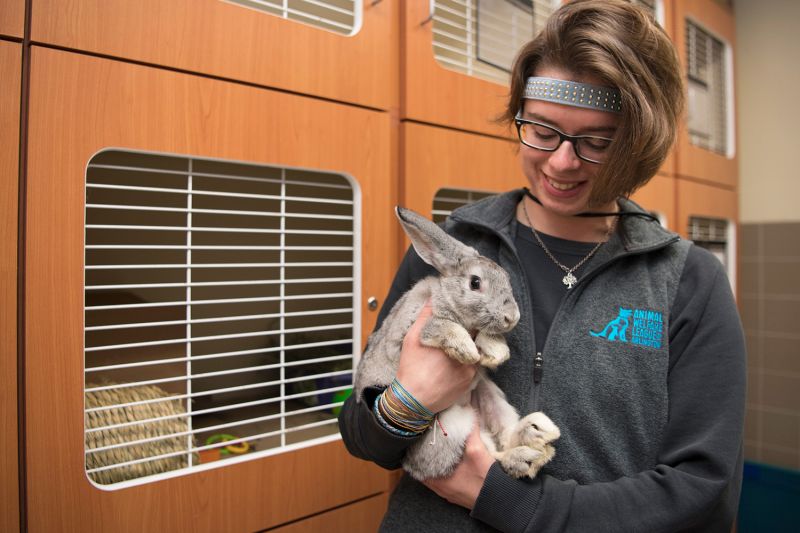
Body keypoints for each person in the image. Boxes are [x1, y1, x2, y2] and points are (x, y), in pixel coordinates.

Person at [338, 0, 746, 531]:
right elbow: (359, 428)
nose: (561, 162)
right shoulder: (460, 247)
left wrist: (512, 501)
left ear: (638, 143)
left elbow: (704, 491)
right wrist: (409, 402)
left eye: (597, 142)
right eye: (542, 131)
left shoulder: (687, 281)